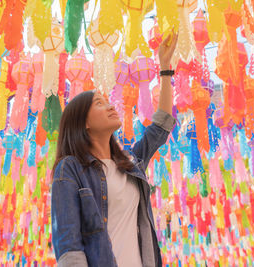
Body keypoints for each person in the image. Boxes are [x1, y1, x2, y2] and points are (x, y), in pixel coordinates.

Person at [51, 33, 178, 267]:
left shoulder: (132, 162)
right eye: (99, 103)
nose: (110, 106)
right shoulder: (70, 168)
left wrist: (165, 68)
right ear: (84, 122)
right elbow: (68, 246)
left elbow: (161, 125)